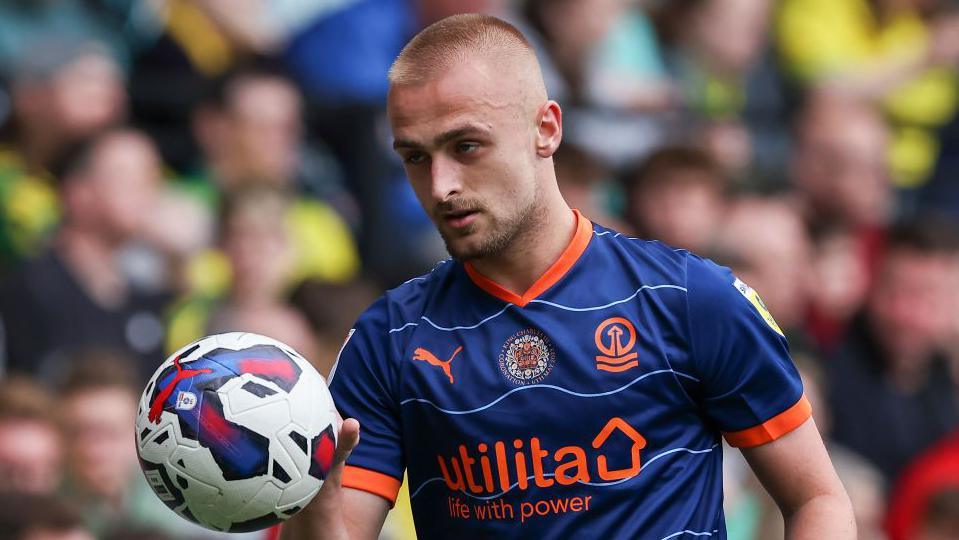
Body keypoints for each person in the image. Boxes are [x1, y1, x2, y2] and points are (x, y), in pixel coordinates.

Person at [285, 14, 854, 539]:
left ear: (546, 129)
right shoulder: (388, 339)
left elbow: (817, 500)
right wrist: (314, 495)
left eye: (467, 146)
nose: (441, 186)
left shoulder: (689, 300)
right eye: (415, 157)